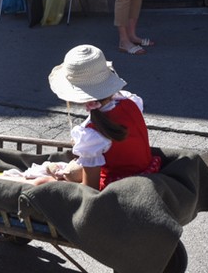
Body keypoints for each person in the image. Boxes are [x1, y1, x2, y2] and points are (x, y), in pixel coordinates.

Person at [45, 44, 160, 190]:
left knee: (48, 180)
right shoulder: (130, 100)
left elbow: (89, 189)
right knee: (72, 171)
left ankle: (50, 171)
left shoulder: (91, 133)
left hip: (119, 186)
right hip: (148, 170)